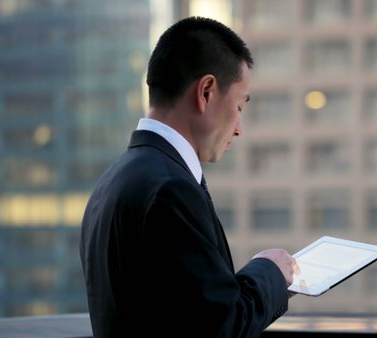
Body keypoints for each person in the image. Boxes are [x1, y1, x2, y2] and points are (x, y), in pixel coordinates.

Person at [80, 17, 297, 337]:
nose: (239, 128)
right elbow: (220, 327)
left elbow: (183, 310)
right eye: (239, 106)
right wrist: (271, 272)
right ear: (206, 91)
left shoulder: (114, 179)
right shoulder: (171, 189)